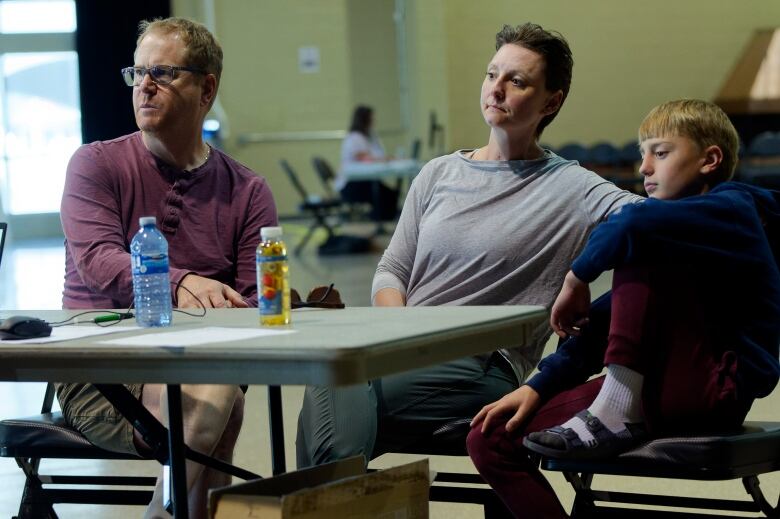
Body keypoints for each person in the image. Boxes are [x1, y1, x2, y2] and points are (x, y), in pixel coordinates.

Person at [296, 23, 641, 468]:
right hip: (403, 351)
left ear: (550, 102)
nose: (496, 89)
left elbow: (651, 222)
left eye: (516, 81)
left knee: (333, 383)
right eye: (491, 74)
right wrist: (399, 335)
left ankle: (322, 502)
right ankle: (335, 499)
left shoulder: (572, 186)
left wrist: (581, 274)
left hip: (481, 366)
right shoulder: (438, 173)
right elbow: (392, 270)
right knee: (335, 373)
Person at [467, 99, 780, 518]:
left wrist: (576, 278)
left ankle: (614, 410)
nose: (644, 168)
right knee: (489, 438)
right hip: (648, 390)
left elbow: (632, 224)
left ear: (711, 159)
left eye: (661, 153)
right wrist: (538, 386)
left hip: (715, 387)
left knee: (644, 233)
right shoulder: (664, 239)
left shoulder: (736, 212)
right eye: (642, 155)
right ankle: (614, 408)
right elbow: (605, 322)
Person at [58, 17, 278, 519]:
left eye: (162, 71)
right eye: (137, 73)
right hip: (100, 371)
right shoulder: (95, 165)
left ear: (207, 88)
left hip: (205, 366)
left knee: (220, 390)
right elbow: (98, 262)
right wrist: (181, 282)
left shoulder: (247, 191)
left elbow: (253, 301)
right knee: (220, 397)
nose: (145, 86)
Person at [335, 105, 400, 221]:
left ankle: (381, 219)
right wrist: (385, 159)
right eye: (372, 118)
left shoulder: (367, 137)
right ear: (364, 119)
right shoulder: (355, 138)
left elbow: (373, 155)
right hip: (351, 185)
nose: (374, 121)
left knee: (390, 192)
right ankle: (379, 220)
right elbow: (364, 158)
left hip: (361, 181)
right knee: (387, 194)